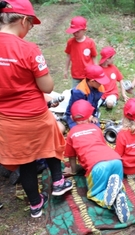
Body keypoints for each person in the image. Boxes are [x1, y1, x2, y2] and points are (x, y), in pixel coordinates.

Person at [0, 0, 73, 218]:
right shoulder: (29, 49)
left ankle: (35, 205)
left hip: (7, 120)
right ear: (23, 20)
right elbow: (47, 86)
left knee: (26, 161)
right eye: (31, 23)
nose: (31, 28)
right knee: (50, 144)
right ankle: (59, 182)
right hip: (35, 114)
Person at [64, 99, 130, 223]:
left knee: (95, 193)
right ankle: (119, 192)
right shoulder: (96, 128)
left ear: (72, 118)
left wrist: (73, 169)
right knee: (114, 184)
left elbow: (71, 156)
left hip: (97, 166)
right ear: (90, 116)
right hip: (116, 161)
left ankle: (109, 201)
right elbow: (102, 145)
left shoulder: (71, 134)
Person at [65, 64, 110, 129]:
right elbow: (76, 112)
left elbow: (94, 105)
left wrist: (93, 116)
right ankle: (66, 120)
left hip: (89, 114)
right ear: (92, 81)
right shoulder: (79, 92)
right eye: (100, 82)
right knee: (80, 131)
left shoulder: (99, 88)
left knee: (96, 129)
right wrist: (89, 118)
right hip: (76, 116)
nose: (101, 84)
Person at [64, 16, 98, 88]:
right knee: (76, 94)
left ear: (84, 30)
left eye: (77, 32)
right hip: (76, 75)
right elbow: (68, 56)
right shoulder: (70, 42)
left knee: (88, 93)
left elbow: (94, 57)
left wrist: (97, 71)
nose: (75, 33)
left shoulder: (90, 42)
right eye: (74, 31)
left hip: (88, 75)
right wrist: (65, 70)